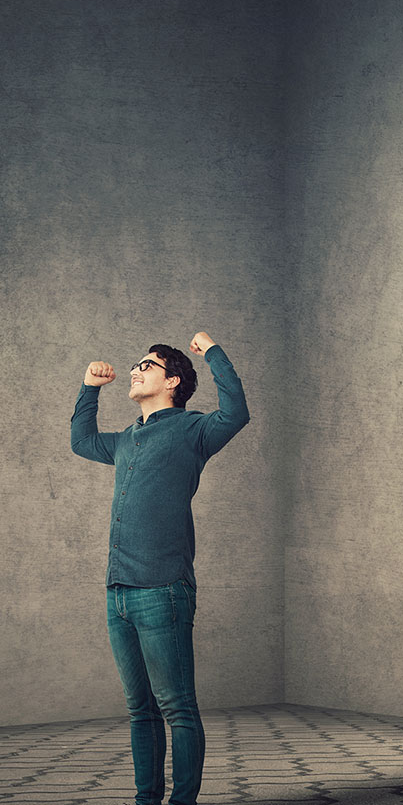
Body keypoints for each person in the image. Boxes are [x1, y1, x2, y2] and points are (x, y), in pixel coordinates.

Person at [70, 331, 250, 805]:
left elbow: (236, 412)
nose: (135, 369)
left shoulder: (194, 430)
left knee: (178, 708)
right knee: (140, 711)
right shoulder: (126, 439)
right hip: (118, 591)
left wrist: (212, 351)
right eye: (136, 363)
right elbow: (81, 440)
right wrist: (89, 387)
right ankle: (145, 800)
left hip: (163, 589)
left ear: (172, 381)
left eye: (146, 365)